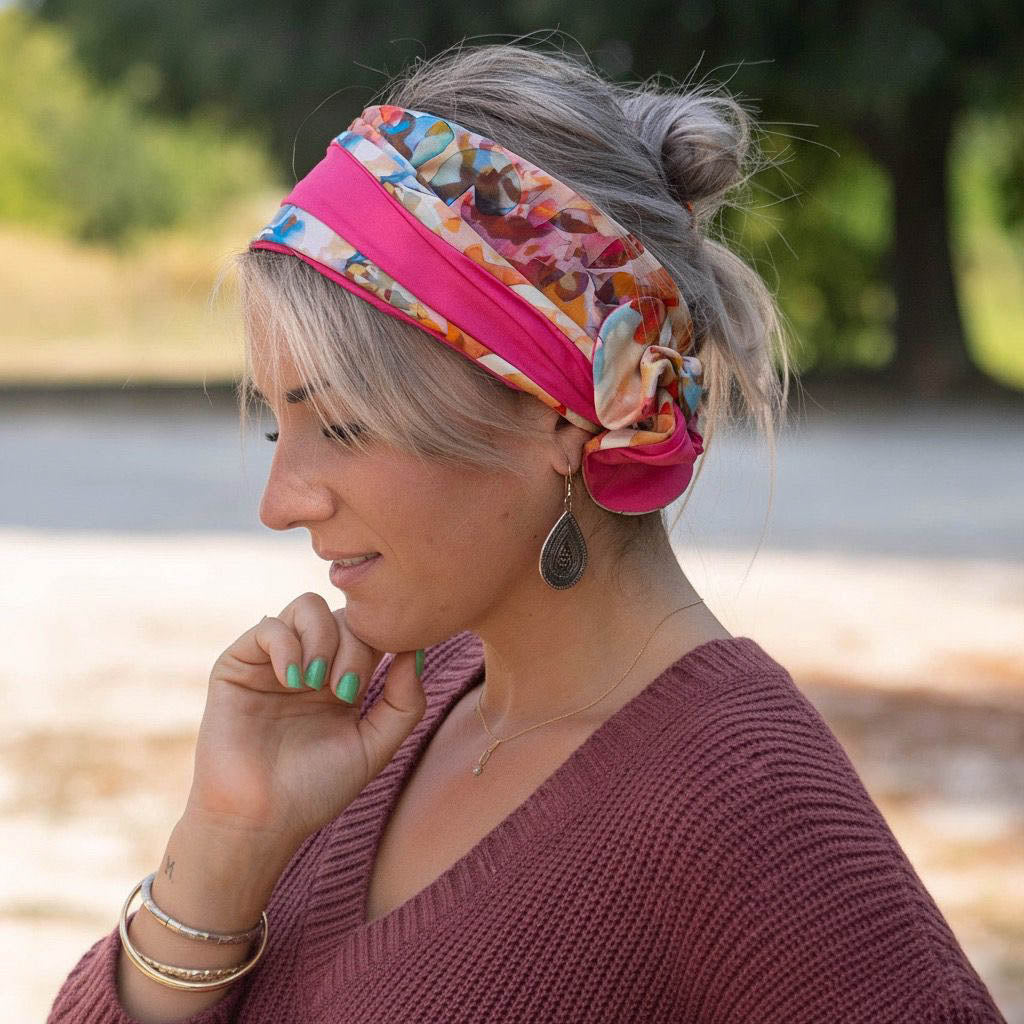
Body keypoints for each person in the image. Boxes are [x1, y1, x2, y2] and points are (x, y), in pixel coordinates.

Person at [48, 39, 1007, 1024]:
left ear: (560, 413)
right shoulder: (376, 715)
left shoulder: (748, 806)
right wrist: (224, 845)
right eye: (274, 427)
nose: (280, 501)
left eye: (341, 425)